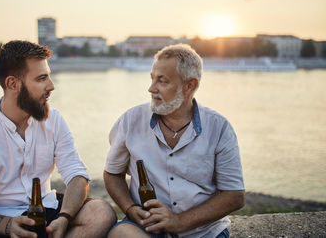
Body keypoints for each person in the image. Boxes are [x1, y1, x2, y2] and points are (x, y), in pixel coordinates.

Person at [0, 40, 116, 238]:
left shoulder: (54, 120)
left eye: (49, 77)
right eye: (41, 79)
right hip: (2, 220)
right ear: (13, 84)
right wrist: (8, 226)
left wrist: (64, 218)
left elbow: (77, 175)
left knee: (101, 213)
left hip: (48, 209)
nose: (51, 86)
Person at [104, 44, 245, 238]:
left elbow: (234, 196)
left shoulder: (219, 127)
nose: (151, 88)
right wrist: (129, 208)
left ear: (190, 86)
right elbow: (113, 174)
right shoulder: (130, 120)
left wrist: (180, 221)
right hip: (146, 228)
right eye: (152, 78)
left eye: (162, 81)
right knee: (120, 234)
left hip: (203, 233)